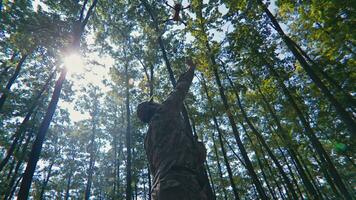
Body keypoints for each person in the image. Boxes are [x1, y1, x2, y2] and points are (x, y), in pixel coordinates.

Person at [137, 60, 208, 200]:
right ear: (152, 107)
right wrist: (191, 70)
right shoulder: (164, 112)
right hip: (181, 183)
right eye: (154, 102)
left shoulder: (147, 140)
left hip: (159, 190)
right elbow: (180, 90)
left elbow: (154, 169)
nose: (157, 102)